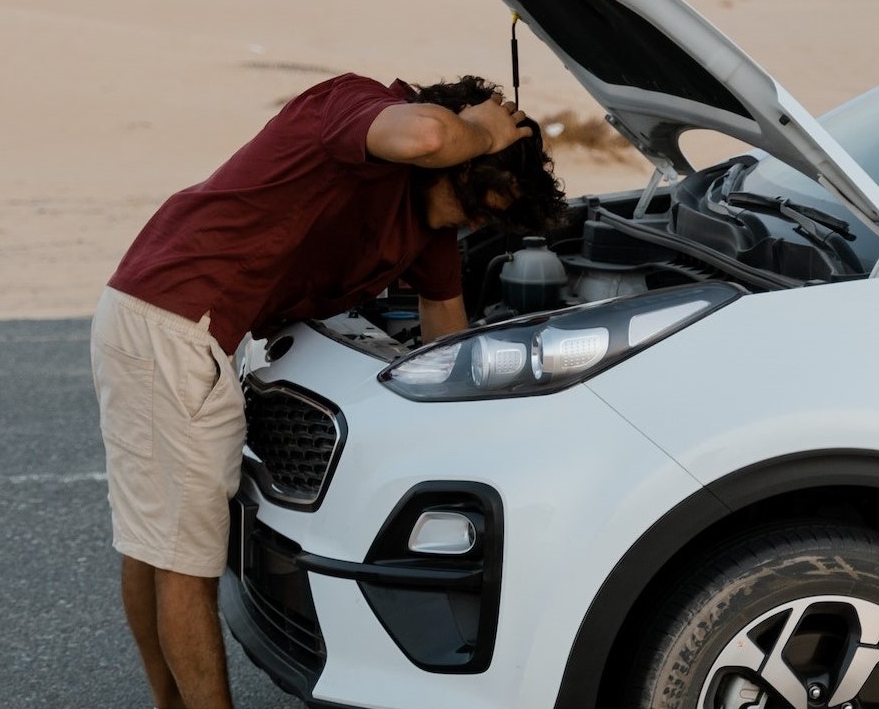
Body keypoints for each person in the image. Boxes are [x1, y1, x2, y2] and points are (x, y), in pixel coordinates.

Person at [89, 72, 565, 709]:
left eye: (490, 218)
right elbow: (424, 133)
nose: (476, 219)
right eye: (478, 196)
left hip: (173, 322)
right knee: (183, 562)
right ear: (461, 153)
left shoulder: (427, 231)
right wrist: (485, 128)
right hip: (174, 321)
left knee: (155, 542)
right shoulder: (352, 105)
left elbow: (446, 344)